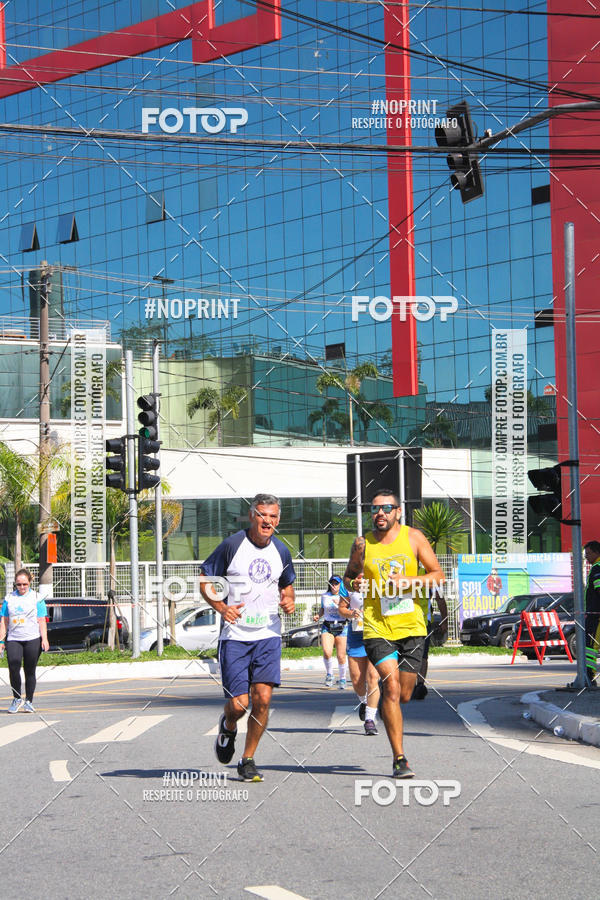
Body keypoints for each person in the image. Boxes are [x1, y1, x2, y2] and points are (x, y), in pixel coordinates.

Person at [344, 489, 445, 779]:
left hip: (412, 626)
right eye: (375, 509)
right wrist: (355, 584)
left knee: (404, 694)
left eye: (387, 508)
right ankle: (399, 758)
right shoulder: (362, 545)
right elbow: (349, 577)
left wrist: (407, 581)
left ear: (398, 512)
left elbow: (437, 575)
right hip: (376, 626)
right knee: (390, 686)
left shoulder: (414, 538)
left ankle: (388, 715)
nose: (380, 513)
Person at [200, 493, 296, 783]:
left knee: (263, 700)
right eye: (263, 514)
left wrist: (289, 601)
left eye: (274, 516)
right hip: (235, 638)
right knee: (240, 704)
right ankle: (228, 725)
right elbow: (205, 578)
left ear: (278, 520)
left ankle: (248, 759)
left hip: (268, 635)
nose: (268, 521)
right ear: (253, 515)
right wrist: (221, 607)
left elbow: (288, 587)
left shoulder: (281, 550)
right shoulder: (232, 545)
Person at [0, 568, 49, 712]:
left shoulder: (37, 598)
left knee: (30, 670)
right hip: (14, 639)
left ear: (29, 583)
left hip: (32, 638)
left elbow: (41, 620)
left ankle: (29, 701)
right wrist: (2, 641)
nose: (22, 587)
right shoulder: (9, 599)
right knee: (13, 666)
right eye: (19, 584)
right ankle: (17, 698)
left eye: (24, 584)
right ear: (15, 584)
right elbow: (4, 621)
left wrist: (44, 639)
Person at [337, 584, 380, 735]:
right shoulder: (347, 583)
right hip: (356, 634)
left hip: (377, 633)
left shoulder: (379, 576)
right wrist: (350, 613)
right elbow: (341, 609)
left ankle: (370, 720)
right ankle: (365, 702)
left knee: (373, 677)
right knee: (356, 680)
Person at [412, 585, 448, 700]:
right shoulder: (428, 575)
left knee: (417, 654)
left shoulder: (428, 576)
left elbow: (440, 598)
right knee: (421, 655)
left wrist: (444, 620)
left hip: (418, 623)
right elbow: (440, 599)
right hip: (417, 622)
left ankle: (417, 685)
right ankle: (418, 685)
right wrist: (444, 621)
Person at [314, 575, 348, 689]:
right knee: (327, 651)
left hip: (341, 626)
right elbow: (323, 608)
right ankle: (329, 674)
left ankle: (342, 678)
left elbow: (348, 610)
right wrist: (318, 615)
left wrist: (340, 604)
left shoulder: (345, 596)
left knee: (341, 655)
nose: (334, 586)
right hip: (328, 626)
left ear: (341, 585)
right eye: (332, 583)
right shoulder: (325, 596)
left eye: (336, 583)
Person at [583, 541, 600, 685]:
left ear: (596, 553)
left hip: (596, 616)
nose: (586, 557)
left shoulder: (597, 568)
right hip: (595, 613)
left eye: (588, 553)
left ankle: (590, 677)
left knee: (591, 646)